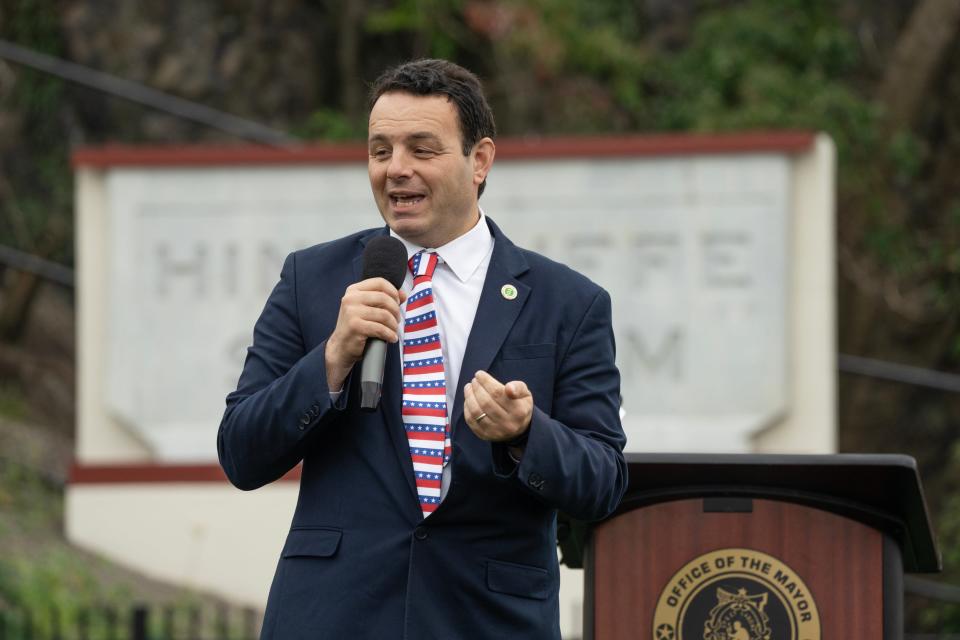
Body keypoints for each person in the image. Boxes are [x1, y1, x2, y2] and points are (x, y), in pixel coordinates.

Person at [217, 58, 627, 639]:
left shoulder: (568, 302)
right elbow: (240, 452)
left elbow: (604, 482)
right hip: (335, 616)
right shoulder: (312, 280)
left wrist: (525, 435)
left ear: (479, 160)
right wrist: (332, 359)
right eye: (380, 150)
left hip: (488, 620)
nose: (396, 169)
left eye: (421, 149)